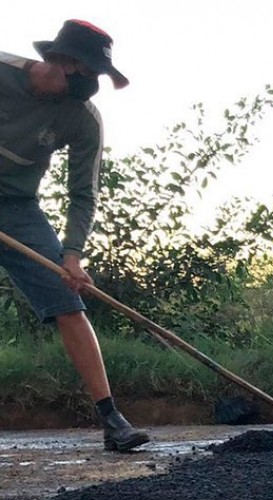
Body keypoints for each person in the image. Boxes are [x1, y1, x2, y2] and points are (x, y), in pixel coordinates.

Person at [0, 20, 147, 452]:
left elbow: (84, 192)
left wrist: (73, 254)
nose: (93, 85)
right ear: (61, 61)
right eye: (89, 73)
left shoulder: (83, 119)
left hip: (17, 211)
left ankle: (112, 419)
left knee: (69, 303)